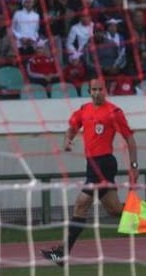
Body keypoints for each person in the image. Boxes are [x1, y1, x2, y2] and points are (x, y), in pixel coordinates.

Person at [41, 77, 139, 265]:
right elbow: (71, 128)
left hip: (104, 164)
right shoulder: (84, 110)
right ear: (89, 91)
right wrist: (67, 140)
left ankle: (62, 253)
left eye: (99, 89)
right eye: (93, 90)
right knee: (114, 209)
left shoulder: (114, 112)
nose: (96, 93)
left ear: (105, 90)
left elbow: (130, 139)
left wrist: (134, 165)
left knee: (81, 203)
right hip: (92, 164)